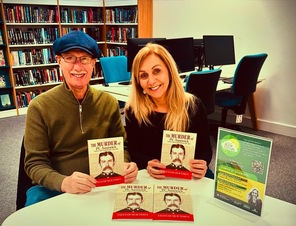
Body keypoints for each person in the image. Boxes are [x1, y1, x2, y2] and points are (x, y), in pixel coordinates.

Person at [24, 31, 138, 207]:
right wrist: (64, 182)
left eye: (84, 59)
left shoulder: (108, 103)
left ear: (93, 63)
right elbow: (34, 164)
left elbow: (121, 144)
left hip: (102, 185)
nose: (78, 67)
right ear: (59, 61)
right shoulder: (39, 106)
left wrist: (124, 163)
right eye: (70, 58)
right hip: (54, 189)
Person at [124, 43, 213, 179]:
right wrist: (147, 164)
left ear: (170, 72)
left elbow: (205, 149)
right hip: (152, 178)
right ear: (138, 82)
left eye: (157, 71)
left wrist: (203, 163)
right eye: (143, 75)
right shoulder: (133, 110)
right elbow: (134, 151)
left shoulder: (193, 106)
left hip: (188, 178)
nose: (151, 81)